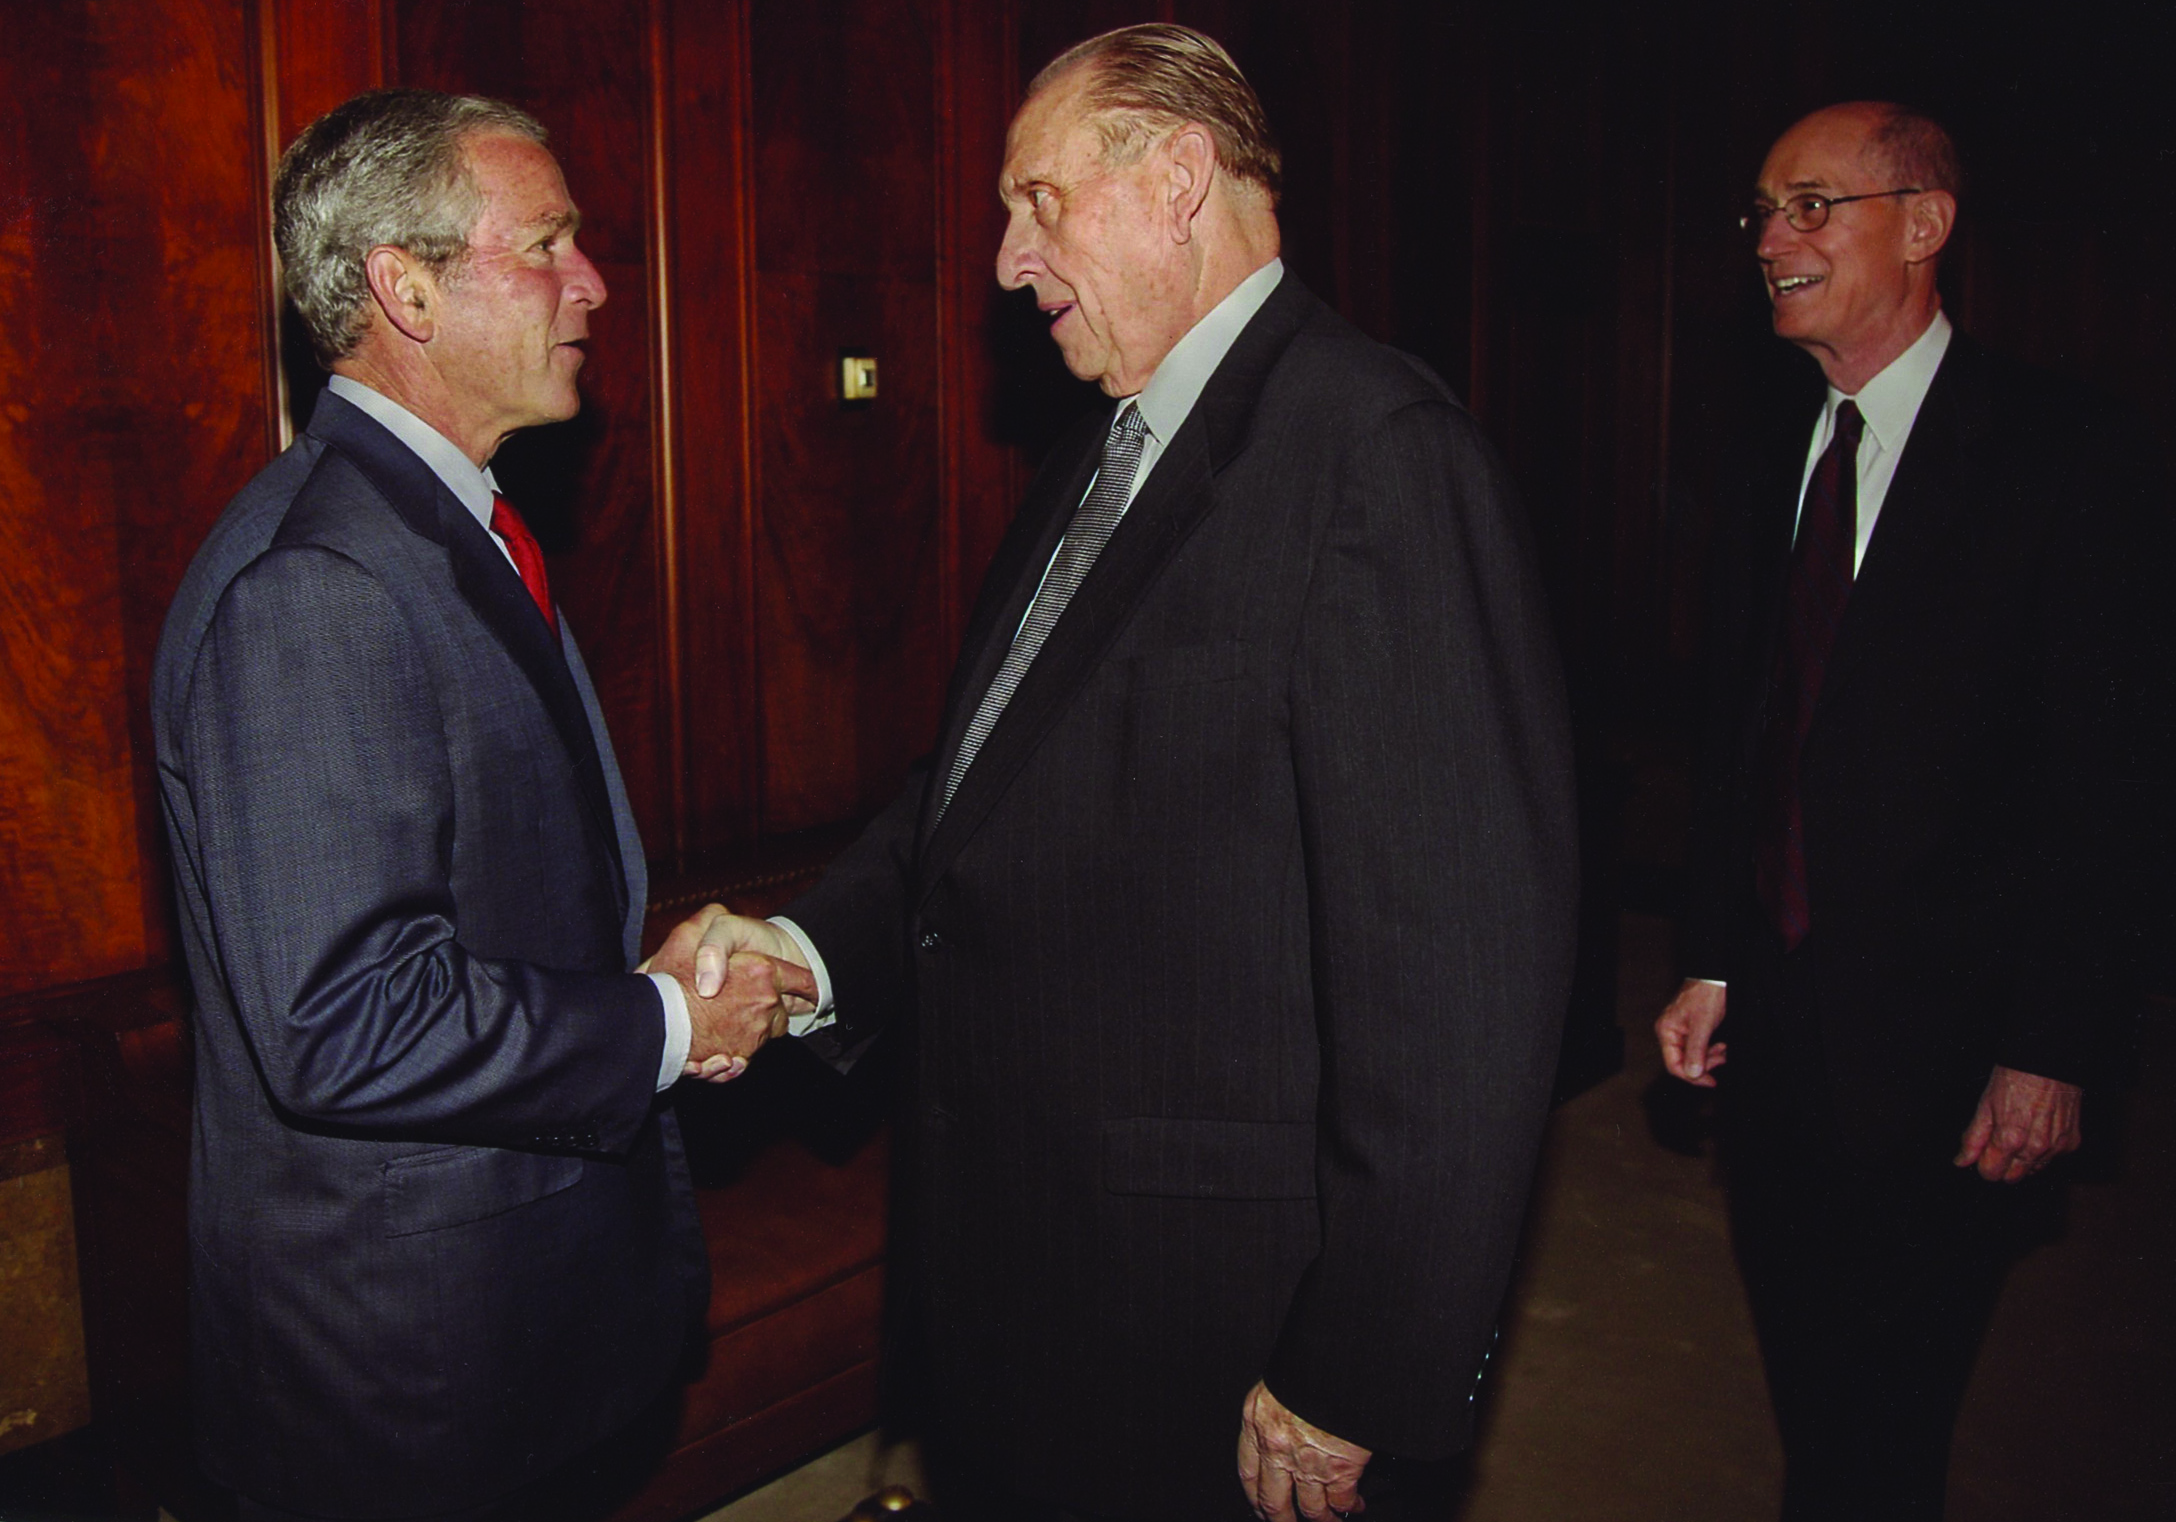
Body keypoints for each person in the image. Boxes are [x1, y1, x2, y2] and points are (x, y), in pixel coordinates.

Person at [657, 25, 1577, 1522]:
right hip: (1033, 1273)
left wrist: (1362, 1359)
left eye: (1040, 202)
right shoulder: (1105, 448)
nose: (1008, 263)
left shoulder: (1378, 455)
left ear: (1179, 177)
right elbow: (972, 795)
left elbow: (1459, 990)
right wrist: (806, 952)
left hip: (1209, 1312)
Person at [151, 90, 812, 1522]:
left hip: (505, 1341)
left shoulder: (440, 524)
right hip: (411, 1383)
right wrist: (665, 1025)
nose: (594, 283)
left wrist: (638, 983)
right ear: (406, 288)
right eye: (548, 244)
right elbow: (347, 1018)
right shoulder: (317, 585)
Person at [1655, 102, 2167, 1519]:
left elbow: (2110, 784)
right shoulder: (1772, 444)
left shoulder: (2069, 452)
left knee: (1891, 1417)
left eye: (1813, 205)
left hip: (1954, 1052)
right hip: (1780, 1036)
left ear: (1926, 223)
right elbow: (1745, 735)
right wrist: (1711, 957)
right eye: (1764, 210)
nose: (1774, 238)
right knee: (1815, 1394)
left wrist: (2053, 1046)